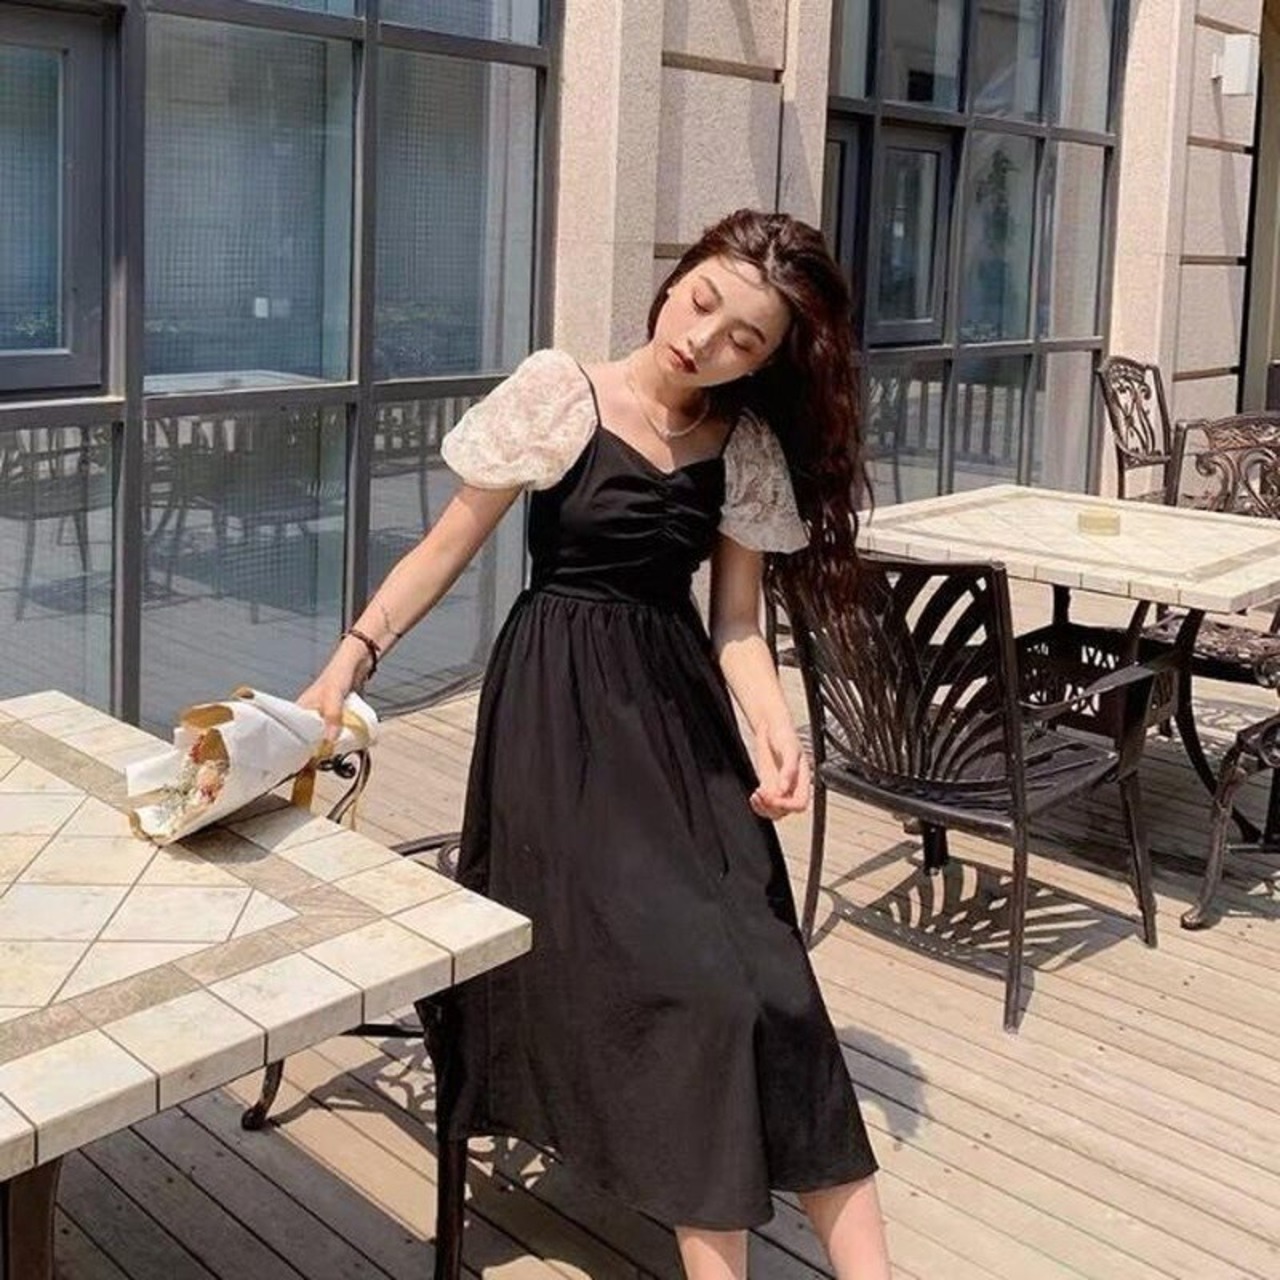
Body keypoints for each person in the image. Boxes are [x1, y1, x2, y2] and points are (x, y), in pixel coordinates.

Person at [300, 208, 891, 1280]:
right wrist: (350, 660)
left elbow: (736, 623)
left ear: (765, 360)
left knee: (776, 981)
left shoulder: (743, 446)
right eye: (701, 302)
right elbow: (442, 549)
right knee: (698, 993)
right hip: (559, 721)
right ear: (676, 279)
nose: (704, 340)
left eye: (743, 338)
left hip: (679, 720)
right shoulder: (558, 391)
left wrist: (777, 731)